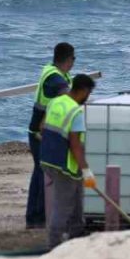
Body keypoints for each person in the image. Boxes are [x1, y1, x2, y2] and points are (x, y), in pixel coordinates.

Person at [38, 73, 97, 248]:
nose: (87, 99)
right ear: (84, 91)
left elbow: (42, 128)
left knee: (77, 196)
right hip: (65, 166)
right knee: (63, 206)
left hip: (48, 160)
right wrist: (86, 170)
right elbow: (75, 145)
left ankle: (77, 235)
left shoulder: (56, 102)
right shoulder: (76, 112)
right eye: (88, 94)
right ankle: (53, 245)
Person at [25, 43, 75, 229]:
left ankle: (37, 217)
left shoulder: (53, 71)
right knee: (42, 174)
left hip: (43, 132)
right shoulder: (54, 78)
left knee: (41, 173)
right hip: (40, 134)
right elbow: (66, 95)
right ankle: (36, 218)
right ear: (69, 60)